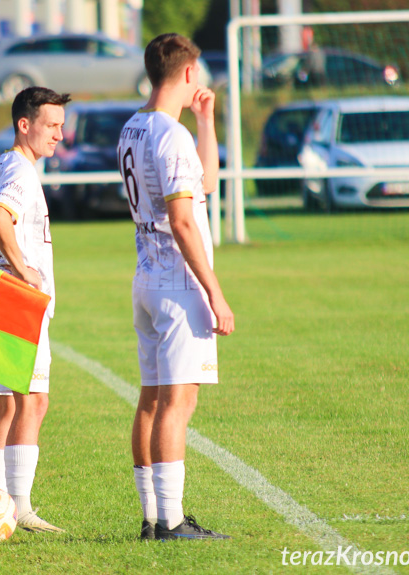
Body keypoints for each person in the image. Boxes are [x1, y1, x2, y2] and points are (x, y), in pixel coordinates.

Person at [117, 33, 235, 541]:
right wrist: (215, 290)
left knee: (151, 398)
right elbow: (185, 220)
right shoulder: (170, 135)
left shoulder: (133, 127)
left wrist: (205, 121)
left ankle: (152, 516)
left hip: (146, 275)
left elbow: (203, 185)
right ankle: (171, 521)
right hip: (177, 280)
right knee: (176, 404)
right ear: (188, 74)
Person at [0, 87, 70, 533]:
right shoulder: (19, 170)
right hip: (18, 301)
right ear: (24, 124)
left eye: (61, 126)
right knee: (32, 400)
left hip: (8, 297)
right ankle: (19, 508)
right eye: (51, 126)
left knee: (12, 404)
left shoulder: (6, 165)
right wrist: (19, 270)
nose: (59, 136)